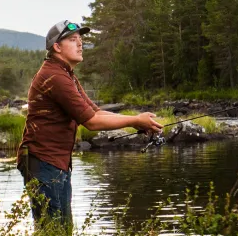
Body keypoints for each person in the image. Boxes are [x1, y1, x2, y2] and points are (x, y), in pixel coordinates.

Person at [16, 20, 162, 225]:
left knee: (60, 233)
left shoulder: (65, 74)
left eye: (81, 40)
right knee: (53, 235)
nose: (80, 44)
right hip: (44, 163)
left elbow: (95, 111)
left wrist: (135, 122)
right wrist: (135, 119)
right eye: (73, 40)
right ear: (57, 47)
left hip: (53, 163)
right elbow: (91, 122)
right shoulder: (55, 76)